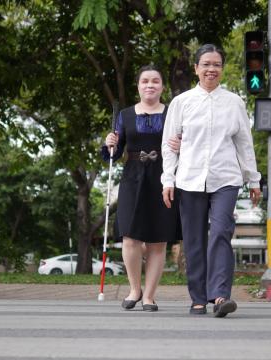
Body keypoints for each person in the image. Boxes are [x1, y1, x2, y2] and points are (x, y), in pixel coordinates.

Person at [161, 44, 262, 317]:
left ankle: (219, 296)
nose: (211, 69)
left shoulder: (234, 102)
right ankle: (197, 298)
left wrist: (253, 180)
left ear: (222, 69)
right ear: (196, 68)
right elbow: (169, 146)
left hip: (225, 178)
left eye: (216, 64)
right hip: (189, 179)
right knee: (193, 240)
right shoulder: (181, 103)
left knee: (220, 233)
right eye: (205, 64)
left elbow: (244, 144)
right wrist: (167, 180)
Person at [101, 64, 181, 312]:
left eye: (155, 81)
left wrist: (182, 145)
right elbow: (112, 156)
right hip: (132, 178)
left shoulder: (172, 114)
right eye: (145, 81)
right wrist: (109, 144)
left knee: (158, 240)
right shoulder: (124, 115)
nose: (150, 85)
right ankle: (134, 289)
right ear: (138, 86)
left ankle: (149, 296)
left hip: (163, 178)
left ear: (162, 87)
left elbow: (187, 146)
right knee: (130, 236)